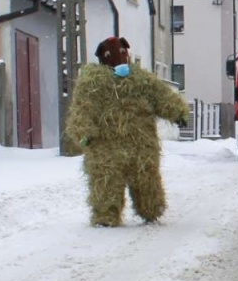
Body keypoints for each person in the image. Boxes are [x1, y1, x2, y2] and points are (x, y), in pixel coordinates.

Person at [66, 36, 190, 226]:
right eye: (112, 55)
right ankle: (106, 216)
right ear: (102, 58)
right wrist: (84, 132)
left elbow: (161, 96)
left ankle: (150, 209)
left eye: (123, 53)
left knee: (146, 178)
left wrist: (178, 112)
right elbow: (83, 109)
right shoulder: (93, 83)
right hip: (106, 146)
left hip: (140, 143)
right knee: (106, 181)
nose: (120, 58)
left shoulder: (141, 80)